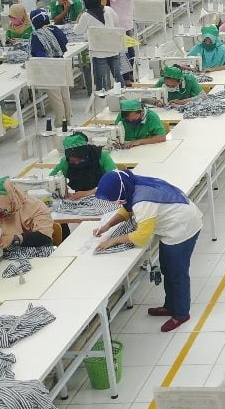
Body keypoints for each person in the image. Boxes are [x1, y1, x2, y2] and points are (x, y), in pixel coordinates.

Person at [92, 170, 203, 331]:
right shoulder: (133, 184)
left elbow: (141, 237)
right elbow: (126, 209)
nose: (115, 202)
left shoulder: (142, 201)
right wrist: (107, 225)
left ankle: (181, 313)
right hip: (176, 224)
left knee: (176, 272)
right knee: (167, 268)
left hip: (182, 228)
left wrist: (114, 240)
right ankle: (170, 306)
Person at [0, 177, 55, 249]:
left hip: (36, 250)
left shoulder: (36, 207)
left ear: (10, 199)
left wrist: (15, 239)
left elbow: (45, 237)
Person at [76, 0, 126, 90]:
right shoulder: (109, 10)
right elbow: (117, 24)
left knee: (101, 78)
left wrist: (78, 18)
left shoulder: (86, 16)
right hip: (113, 48)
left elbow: (78, 31)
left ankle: (102, 97)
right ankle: (123, 92)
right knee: (117, 74)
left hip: (98, 52)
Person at [50, 132, 117, 199]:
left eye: (79, 159)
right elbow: (50, 180)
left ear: (85, 154)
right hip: (75, 201)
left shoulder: (102, 157)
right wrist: (64, 191)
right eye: (72, 161)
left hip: (102, 198)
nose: (76, 163)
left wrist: (90, 192)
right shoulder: (65, 162)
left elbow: (116, 180)